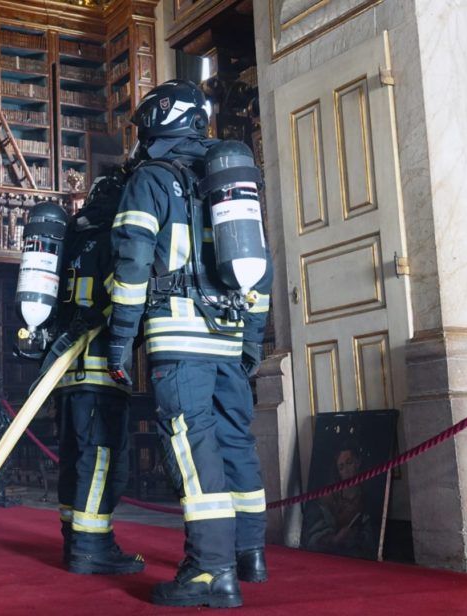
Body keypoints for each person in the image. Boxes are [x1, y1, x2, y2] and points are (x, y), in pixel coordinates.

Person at [106, 79, 273, 608]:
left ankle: (209, 571)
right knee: (235, 442)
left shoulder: (151, 180)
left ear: (158, 121)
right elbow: (259, 274)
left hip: (179, 336)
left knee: (190, 443)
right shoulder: (230, 179)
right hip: (228, 335)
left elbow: (132, 267)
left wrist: (119, 340)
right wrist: (251, 343)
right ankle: (250, 555)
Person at [47, 170, 145, 576]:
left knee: (74, 456)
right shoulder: (115, 237)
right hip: (101, 370)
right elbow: (123, 293)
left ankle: (74, 538)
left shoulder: (70, 241)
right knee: (102, 458)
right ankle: (92, 546)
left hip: (66, 374)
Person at [300, 442, 377, 558]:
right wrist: (335, 539)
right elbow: (313, 537)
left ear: (358, 462)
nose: (346, 470)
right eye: (341, 467)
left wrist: (357, 537)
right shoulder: (329, 498)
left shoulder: (368, 496)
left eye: (349, 463)